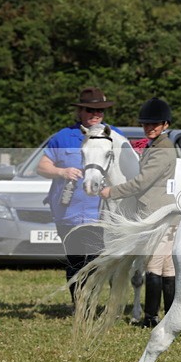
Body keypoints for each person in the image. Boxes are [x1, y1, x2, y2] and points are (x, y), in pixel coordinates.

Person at [37, 86, 123, 304]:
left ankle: (91, 302)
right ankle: (79, 304)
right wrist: (61, 171)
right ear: (79, 111)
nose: (95, 115)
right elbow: (42, 167)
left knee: (95, 262)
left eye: (100, 111)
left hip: (101, 213)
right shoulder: (63, 137)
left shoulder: (114, 137)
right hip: (69, 213)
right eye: (89, 110)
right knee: (75, 261)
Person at [101, 98, 178, 328]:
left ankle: (151, 319)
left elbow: (141, 183)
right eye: (146, 124)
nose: (149, 128)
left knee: (155, 266)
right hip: (162, 211)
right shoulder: (155, 146)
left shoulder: (162, 150)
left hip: (157, 213)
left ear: (165, 125)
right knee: (166, 267)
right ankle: (169, 318)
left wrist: (111, 191)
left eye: (154, 124)